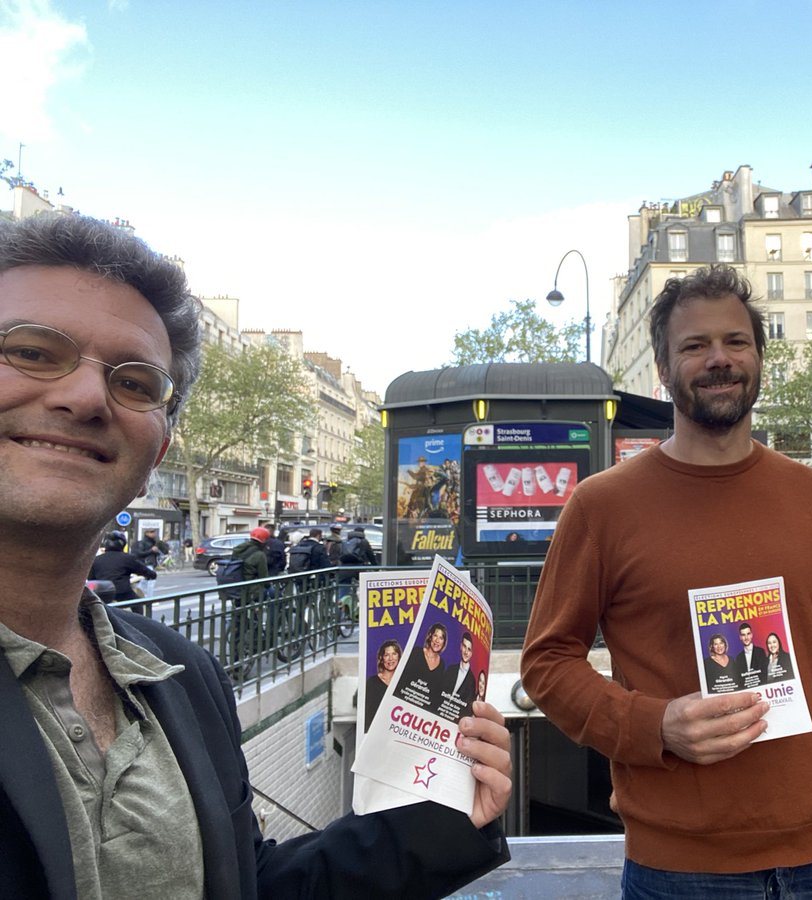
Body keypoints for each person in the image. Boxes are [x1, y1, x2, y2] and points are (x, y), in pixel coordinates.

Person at [0, 214, 510, 897]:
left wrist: (442, 816)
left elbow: (245, 884)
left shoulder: (181, 677)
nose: (86, 396)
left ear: (157, 453)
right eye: (33, 351)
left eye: (135, 383)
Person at [521, 264, 812, 898]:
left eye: (735, 341)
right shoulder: (602, 506)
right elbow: (546, 662)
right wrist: (655, 726)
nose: (719, 359)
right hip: (679, 870)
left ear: (759, 355)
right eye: (695, 345)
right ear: (662, 364)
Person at [88, 530, 158, 610]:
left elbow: (91, 579)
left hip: (102, 593)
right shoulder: (127, 558)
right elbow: (144, 570)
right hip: (122, 592)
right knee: (138, 604)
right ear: (122, 544)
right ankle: (135, 622)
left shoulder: (96, 560)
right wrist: (152, 575)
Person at [398, 622, 449, 712]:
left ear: (443, 642)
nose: (437, 640)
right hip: (404, 704)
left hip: (423, 712)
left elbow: (436, 693)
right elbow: (402, 679)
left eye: (441, 638)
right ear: (430, 637)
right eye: (435, 636)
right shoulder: (416, 652)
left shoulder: (442, 664)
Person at [363, 639, 401, 732]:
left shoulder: (404, 683)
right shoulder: (372, 683)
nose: (391, 658)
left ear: (399, 657)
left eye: (394, 654)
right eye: (386, 655)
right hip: (377, 733)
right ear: (381, 658)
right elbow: (367, 715)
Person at [132, 526, 169, 598]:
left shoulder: (155, 542)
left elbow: (163, 551)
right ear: (146, 533)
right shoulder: (142, 542)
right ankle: (149, 598)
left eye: (154, 532)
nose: (153, 534)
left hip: (151, 563)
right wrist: (151, 550)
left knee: (144, 582)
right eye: (151, 532)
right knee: (150, 582)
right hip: (146, 563)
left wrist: (159, 548)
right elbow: (140, 553)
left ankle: (139, 596)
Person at [731, 621, 768, 689]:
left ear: (751, 635)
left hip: (761, 688)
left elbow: (764, 674)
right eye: (743, 635)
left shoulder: (761, 652)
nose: (746, 637)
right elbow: (739, 680)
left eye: (748, 634)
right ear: (740, 637)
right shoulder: (738, 658)